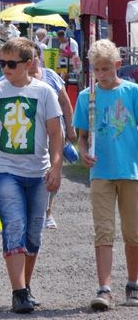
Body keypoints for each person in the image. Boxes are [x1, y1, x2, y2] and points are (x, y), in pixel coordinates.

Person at [0, 37, 63, 314]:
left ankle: (25, 287)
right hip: (5, 170)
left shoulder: (44, 92)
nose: (5, 68)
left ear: (28, 64)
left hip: (38, 172)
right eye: (1, 63)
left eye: (11, 63)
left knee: (33, 235)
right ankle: (18, 292)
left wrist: (56, 166)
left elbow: (55, 134)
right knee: (13, 226)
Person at [72, 39, 138, 310]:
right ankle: (104, 289)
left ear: (118, 65)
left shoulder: (133, 92)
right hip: (101, 172)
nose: (102, 74)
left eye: (107, 69)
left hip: (131, 172)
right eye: (97, 70)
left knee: (133, 233)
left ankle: (133, 284)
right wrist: (83, 152)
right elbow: (82, 137)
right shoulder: (87, 97)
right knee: (103, 231)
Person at [29, 44, 77, 230]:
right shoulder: (19, 78)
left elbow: (65, 103)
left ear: (39, 57)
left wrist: (71, 129)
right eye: (27, 57)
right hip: (30, 134)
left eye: (33, 57)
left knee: (53, 170)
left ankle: (48, 211)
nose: (31, 61)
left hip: (55, 132)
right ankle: (34, 210)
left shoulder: (50, 76)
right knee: (33, 172)